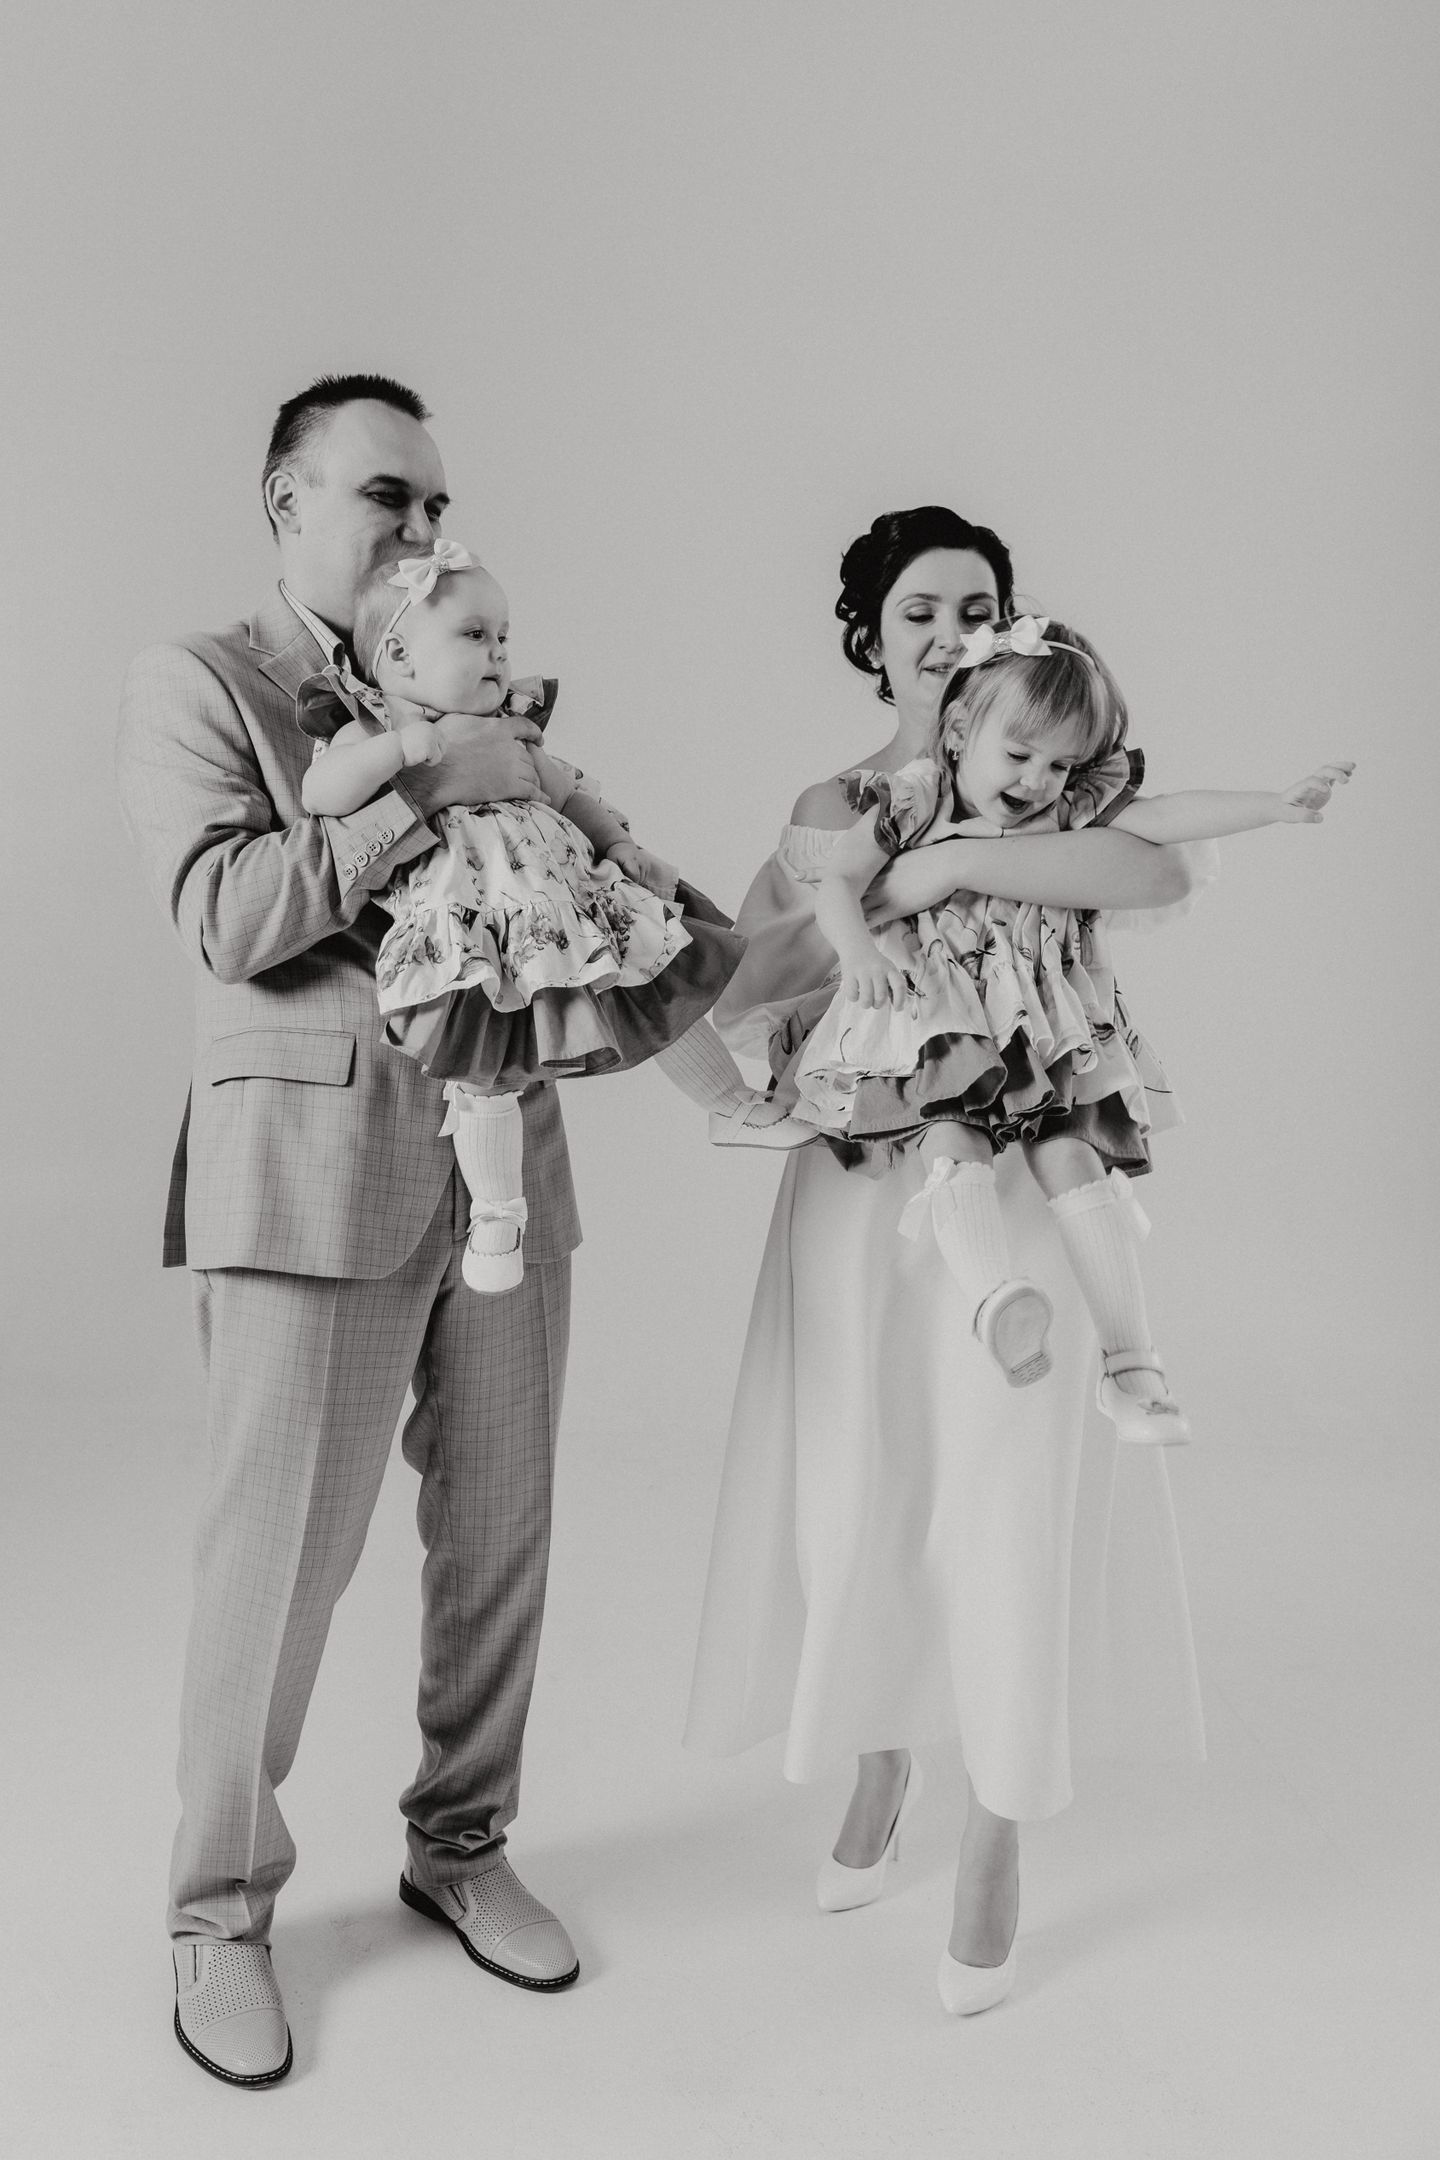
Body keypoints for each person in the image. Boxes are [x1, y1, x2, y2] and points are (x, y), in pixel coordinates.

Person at [118, 375, 586, 2085]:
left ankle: (462, 1843)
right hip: (309, 1172)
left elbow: (562, 884)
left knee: (501, 1537)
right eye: (390, 494)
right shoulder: (203, 680)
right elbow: (230, 915)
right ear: (288, 503)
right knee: (277, 1570)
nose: (423, 527)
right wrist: (422, 783)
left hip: (503, 1158)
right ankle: (217, 1913)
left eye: (436, 503)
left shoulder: (473, 658)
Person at [685, 507, 1214, 2018]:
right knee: (866, 1486)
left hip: (1017, 1185)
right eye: (918, 609)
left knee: (1006, 1490)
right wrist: (877, 892)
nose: (947, 631)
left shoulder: (1058, 777)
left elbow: (1154, 879)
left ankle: (999, 1833)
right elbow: (748, 983)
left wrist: (956, 865)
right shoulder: (835, 805)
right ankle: (879, 1756)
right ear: (871, 634)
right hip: (864, 1187)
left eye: (975, 605)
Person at [793, 610, 1352, 1438]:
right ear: (959, 732)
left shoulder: (1068, 812)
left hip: (1041, 1026)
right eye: (1019, 756)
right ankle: (996, 1301)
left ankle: (1131, 1364)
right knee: (951, 1138)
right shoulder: (916, 797)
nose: (1037, 781)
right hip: (943, 1015)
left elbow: (1165, 819)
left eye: (1059, 765)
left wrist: (1273, 805)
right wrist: (858, 955)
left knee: (1073, 1155)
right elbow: (838, 880)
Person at [301, 540, 812, 1293]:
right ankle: (496, 1214)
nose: (499, 653)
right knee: (484, 1070)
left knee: (650, 985)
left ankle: (729, 1101)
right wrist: (401, 751)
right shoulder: (370, 730)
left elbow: (571, 795)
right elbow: (321, 795)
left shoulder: (509, 727)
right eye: (475, 634)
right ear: (400, 657)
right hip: (472, 932)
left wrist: (620, 844)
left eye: (504, 637)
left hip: (566, 907)